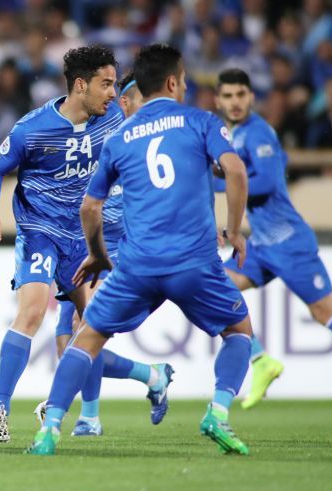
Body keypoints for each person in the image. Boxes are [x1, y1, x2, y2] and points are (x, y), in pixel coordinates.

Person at [27, 44, 253, 456]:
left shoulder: (120, 138)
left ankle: (50, 429)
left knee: (86, 337)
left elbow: (89, 207)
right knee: (239, 333)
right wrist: (234, 231)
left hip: (136, 265)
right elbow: (235, 171)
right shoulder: (201, 121)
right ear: (173, 82)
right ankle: (218, 413)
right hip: (193, 262)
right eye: (184, 80)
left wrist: (97, 255)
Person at [0, 46, 174, 443]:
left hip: (85, 241)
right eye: (106, 84)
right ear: (81, 85)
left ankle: (114, 399)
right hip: (41, 230)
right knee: (33, 311)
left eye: (115, 84)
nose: (112, 93)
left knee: (89, 330)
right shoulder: (32, 129)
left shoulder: (113, 118)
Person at [213, 68, 332, 426]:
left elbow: (266, 182)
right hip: (262, 244)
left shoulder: (258, 132)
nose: (235, 102)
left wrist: (221, 179)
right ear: (218, 100)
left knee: (326, 312)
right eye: (228, 96)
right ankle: (261, 360)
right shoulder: (235, 135)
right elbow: (265, 169)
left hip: (289, 243)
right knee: (215, 285)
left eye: (241, 95)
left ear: (251, 97)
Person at [44, 73, 174, 436]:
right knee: (66, 345)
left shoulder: (152, 142)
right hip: (83, 248)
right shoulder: (102, 131)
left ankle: (89, 417)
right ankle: (152, 375)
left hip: (119, 251)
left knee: (83, 329)